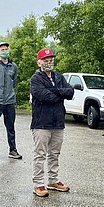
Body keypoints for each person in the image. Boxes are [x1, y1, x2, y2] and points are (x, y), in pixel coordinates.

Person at [29, 48, 74, 197]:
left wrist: (55, 91)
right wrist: (59, 92)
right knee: (40, 154)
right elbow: (44, 96)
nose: (49, 62)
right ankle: (38, 184)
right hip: (41, 122)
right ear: (39, 62)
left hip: (58, 122)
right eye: (45, 60)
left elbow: (70, 92)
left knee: (55, 153)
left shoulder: (58, 76)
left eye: (51, 59)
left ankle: (53, 180)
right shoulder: (35, 79)